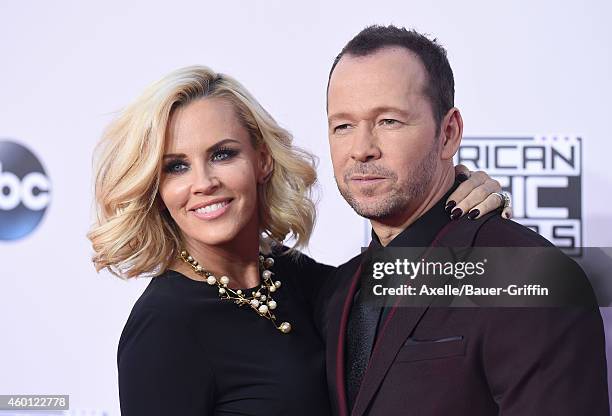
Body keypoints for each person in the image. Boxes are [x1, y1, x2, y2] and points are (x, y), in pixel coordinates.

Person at [87, 66, 506, 415]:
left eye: (222, 154)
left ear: (262, 160)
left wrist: (464, 195)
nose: (204, 183)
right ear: (157, 188)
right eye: (176, 167)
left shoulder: (301, 280)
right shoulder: (164, 326)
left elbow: (410, 283)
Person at [318, 25, 609, 416]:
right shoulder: (329, 292)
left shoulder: (529, 279)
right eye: (343, 125)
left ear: (449, 133)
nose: (361, 149)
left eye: (389, 121)